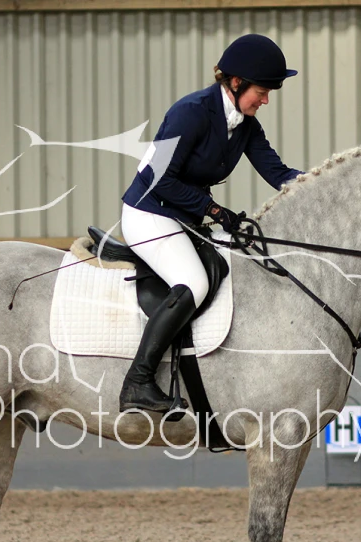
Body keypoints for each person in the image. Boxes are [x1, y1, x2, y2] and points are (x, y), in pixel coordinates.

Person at [118, 33, 303, 414]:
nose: (266, 100)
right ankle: (138, 381)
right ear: (236, 83)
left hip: (183, 218)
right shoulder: (191, 112)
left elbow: (277, 172)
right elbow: (158, 178)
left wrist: (323, 184)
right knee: (195, 282)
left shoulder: (246, 125)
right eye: (262, 92)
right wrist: (213, 210)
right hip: (148, 212)